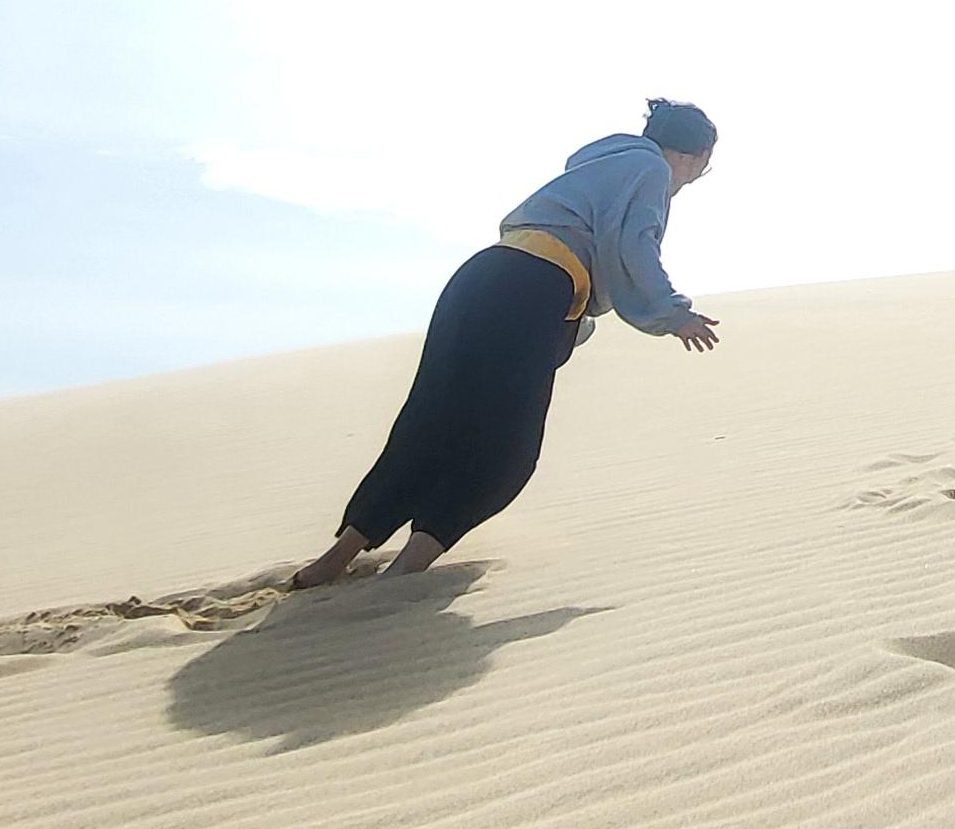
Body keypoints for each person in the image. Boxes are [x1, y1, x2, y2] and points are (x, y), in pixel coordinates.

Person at [287, 100, 722, 581]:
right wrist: (671, 312)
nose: (693, 180)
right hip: (533, 287)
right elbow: (637, 243)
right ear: (689, 155)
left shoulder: (599, 165)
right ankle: (404, 573)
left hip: (480, 278)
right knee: (507, 450)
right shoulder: (650, 168)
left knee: (432, 420)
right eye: (702, 168)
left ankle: (333, 562)